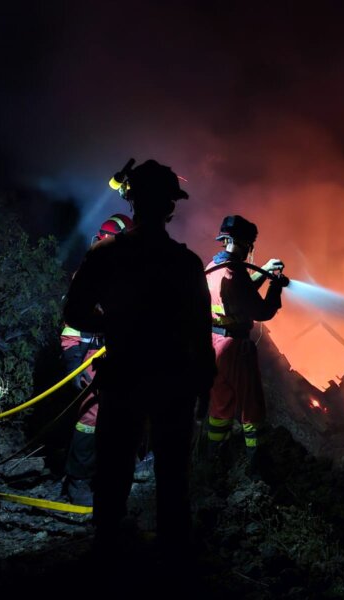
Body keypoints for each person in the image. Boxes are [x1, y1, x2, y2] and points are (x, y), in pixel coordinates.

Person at [63, 159, 215, 560]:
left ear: (130, 201)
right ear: (171, 208)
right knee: (172, 472)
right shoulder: (186, 264)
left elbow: (74, 313)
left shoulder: (105, 254)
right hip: (173, 381)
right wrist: (204, 385)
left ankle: (107, 546)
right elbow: (202, 334)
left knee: (114, 467)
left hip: (123, 376)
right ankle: (172, 554)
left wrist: (113, 323)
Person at [204, 215, 289, 481]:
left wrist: (262, 269)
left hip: (214, 343)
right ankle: (258, 467)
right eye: (250, 244)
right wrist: (275, 286)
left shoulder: (214, 267)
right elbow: (261, 311)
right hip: (236, 348)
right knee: (252, 406)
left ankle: (214, 462)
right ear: (243, 243)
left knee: (220, 406)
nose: (250, 249)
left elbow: (239, 295)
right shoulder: (235, 272)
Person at [60, 214, 136, 507]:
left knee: (124, 416)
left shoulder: (133, 272)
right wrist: (73, 359)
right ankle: (77, 480)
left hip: (126, 355)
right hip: (94, 354)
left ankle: (112, 474)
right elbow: (72, 323)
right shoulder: (90, 272)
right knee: (90, 419)